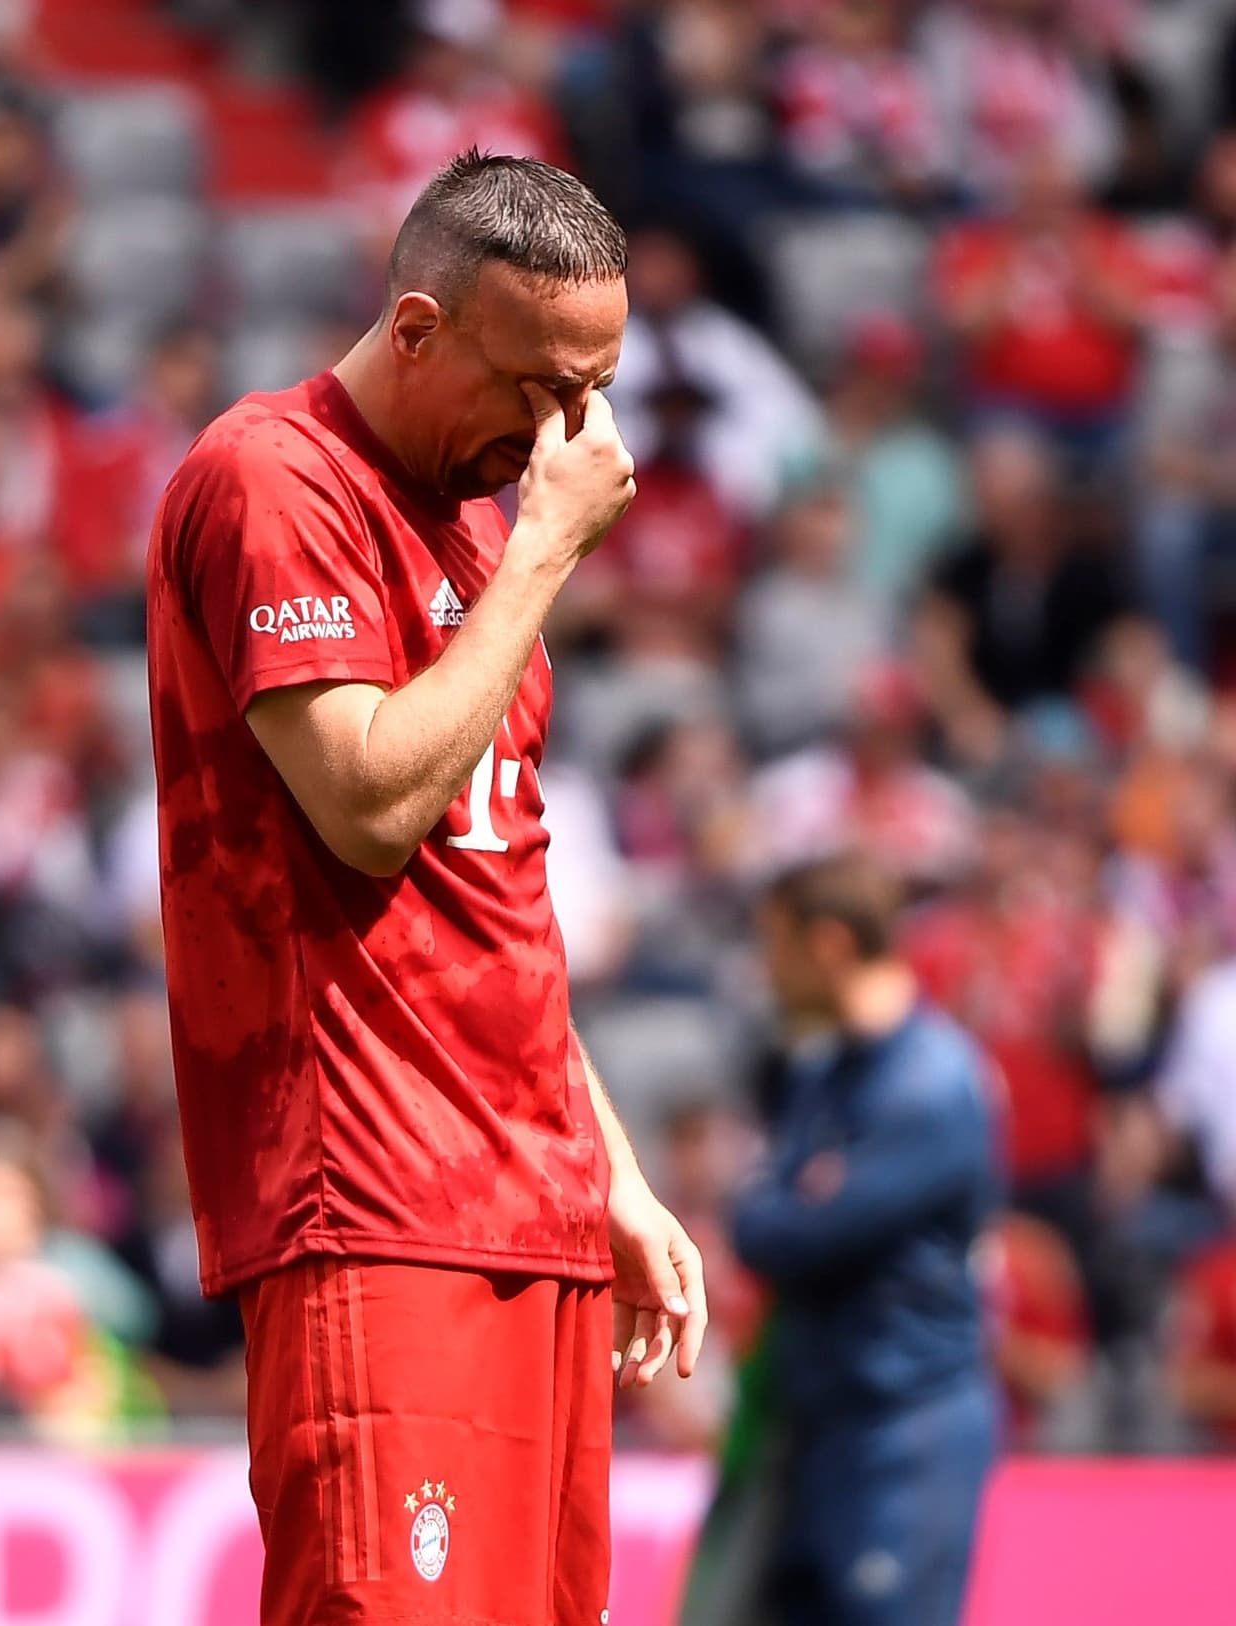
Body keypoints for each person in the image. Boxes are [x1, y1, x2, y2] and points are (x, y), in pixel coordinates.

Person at [146, 149, 707, 1626]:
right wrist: (544, 557)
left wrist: (611, 1167)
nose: (567, 437)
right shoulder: (271, 477)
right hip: (373, 1196)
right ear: (415, 329)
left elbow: (494, 888)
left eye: (595, 391)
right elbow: (369, 806)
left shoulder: (477, 522)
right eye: (540, 388)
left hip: (532, 1204)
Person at [731, 852, 998, 1626]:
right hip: (821, 1428)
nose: (767, 971)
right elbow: (759, 1218)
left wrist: (786, 1208)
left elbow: (795, 1235)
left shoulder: (931, 1085)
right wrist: (784, 1208)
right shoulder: (822, 1074)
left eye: (777, 946)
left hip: (904, 1433)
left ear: (830, 945)